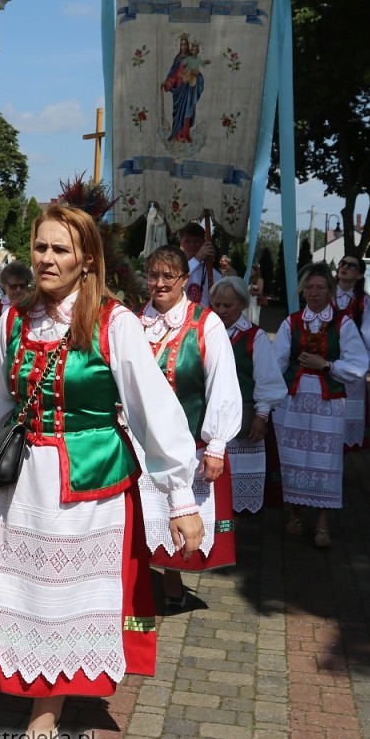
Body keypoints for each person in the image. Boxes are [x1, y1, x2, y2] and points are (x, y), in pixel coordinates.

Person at [0, 203, 203, 739]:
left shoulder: (114, 323)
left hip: (86, 489)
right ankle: (37, 698)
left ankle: (44, 721)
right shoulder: (13, 320)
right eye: (40, 247)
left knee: (64, 602)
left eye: (60, 249)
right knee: (23, 596)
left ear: (87, 259)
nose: (46, 259)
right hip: (20, 485)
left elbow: (154, 409)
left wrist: (181, 497)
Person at [134, 248, 241, 610]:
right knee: (142, 516)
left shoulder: (205, 323)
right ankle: (144, 583)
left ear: (184, 280)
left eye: (169, 276)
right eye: (153, 275)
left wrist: (217, 444)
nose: (160, 283)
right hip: (139, 442)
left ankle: (171, 580)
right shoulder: (134, 322)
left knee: (177, 510)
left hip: (187, 443)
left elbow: (222, 384)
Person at [272, 262, 368, 548]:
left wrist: (325, 365)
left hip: (329, 402)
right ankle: (294, 513)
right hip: (294, 400)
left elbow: (357, 365)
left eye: (321, 287)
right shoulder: (291, 322)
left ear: (330, 291)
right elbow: (276, 362)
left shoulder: (343, 323)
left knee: (326, 460)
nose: (314, 293)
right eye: (309, 287)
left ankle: (323, 521)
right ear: (303, 291)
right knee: (292, 456)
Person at [209, 277, 287, 514]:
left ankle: (234, 528)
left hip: (242, 418)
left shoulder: (255, 337)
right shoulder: (206, 332)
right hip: (209, 418)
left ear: (242, 304)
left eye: (228, 305)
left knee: (236, 478)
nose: (221, 310)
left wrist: (261, 417)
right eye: (217, 304)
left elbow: (267, 379)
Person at [332, 255, 370, 450]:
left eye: (351, 265)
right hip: (325, 357)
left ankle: (344, 450)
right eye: (342, 263)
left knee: (349, 408)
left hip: (353, 361)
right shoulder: (326, 294)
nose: (344, 267)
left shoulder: (364, 301)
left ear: (360, 275)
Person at [178, 222, 215, 307]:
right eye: (187, 241)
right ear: (181, 243)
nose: (192, 245)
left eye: (196, 241)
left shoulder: (213, 273)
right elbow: (176, 277)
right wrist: (197, 259)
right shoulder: (174, 267)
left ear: (203, 243)